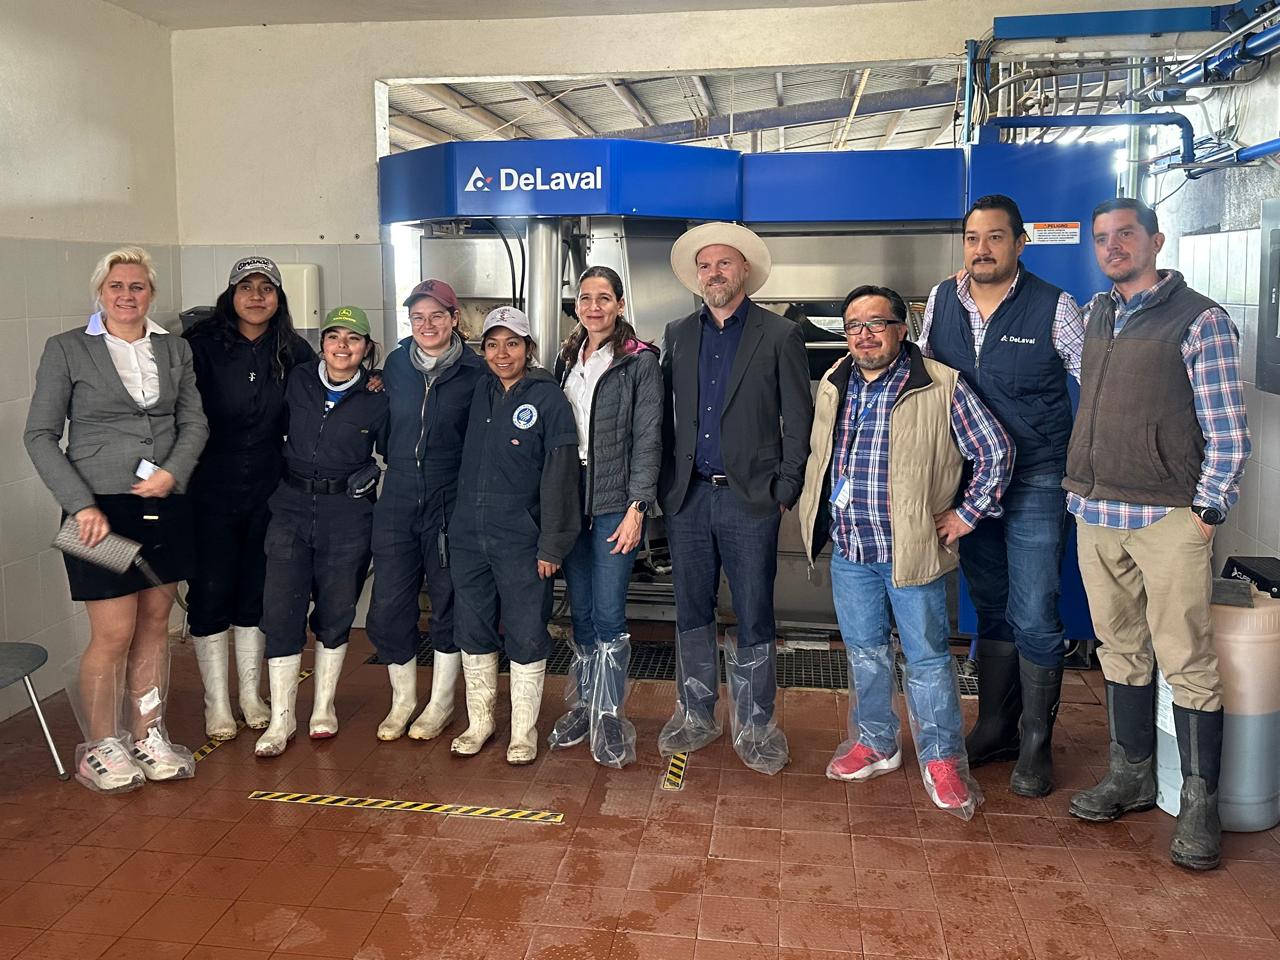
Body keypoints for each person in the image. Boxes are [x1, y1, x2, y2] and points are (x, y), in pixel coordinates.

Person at [1065, 198, 1249, 871]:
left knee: (1188, 658)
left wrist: (1207, 514)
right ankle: (1131, 774)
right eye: (1102, 238)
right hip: (1095, 512)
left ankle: (1202, 804)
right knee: (1121, 650)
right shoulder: (1096, 315)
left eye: (1125, 236)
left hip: (1168, 518)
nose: (1112, 247)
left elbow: (1229, 432)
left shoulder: (1200, 320)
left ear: (1156, 241)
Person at [798, 285, 1013, 814]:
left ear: (901, 329)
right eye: (853, 325)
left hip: (911, 550)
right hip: (851, 549)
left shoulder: (941, 385)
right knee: (865, 652)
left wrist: (966, 514)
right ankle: (876, 741)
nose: (864, 334)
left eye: (876, 323)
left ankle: (941, 758)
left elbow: (996, 451)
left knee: (927, 660)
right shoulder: (834, 381)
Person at [25, 246, 208, 793]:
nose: (126, 295)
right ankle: (101, 744)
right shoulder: (67, 350)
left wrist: (171, 473)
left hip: (164, 504)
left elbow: (193, 422)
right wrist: (80, 504)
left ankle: (148, 733)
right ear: (100, 292)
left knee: (156, 624)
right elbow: (39, 435)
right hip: (99, 513)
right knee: (113, 632)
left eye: (137, 286)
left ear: (151, 293)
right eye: (116, 286)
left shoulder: (174, 350)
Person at [919, 194, 1084, 798]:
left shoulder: (1055, 307)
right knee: (989, 606)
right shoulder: (942, 300)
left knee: (1036, 611)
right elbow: (927, 382)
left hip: (1038, 476)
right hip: (970, 481)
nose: (980, 249)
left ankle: (1036, 745)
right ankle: (995, 729)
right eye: (971, 237)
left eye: (994, 237)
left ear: (1020, 243)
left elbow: (1097, 383)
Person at [658, 221, 813, 776]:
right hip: (689, 498)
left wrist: (785, 488)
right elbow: (664, 418)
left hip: (751, 500)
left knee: (754, 611)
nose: (714, 274)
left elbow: (799, 418)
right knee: (692, 610)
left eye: (724, 264)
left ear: (743, 270)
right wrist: (663, 487)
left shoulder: (777, 335)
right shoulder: (678, 334)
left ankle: (755, 722)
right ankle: (696, 714)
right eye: (705, 266)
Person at [184, 257, 316, 742]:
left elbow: (327, 397)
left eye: (267, 288)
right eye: (247, 287)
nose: (256, 296)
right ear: (231, 293)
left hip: (270, 487)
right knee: (210, 591)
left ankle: (249, 694)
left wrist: (373, 379)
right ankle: (216, 702)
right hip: (209, 486)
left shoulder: (295, 351)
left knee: (256, 592)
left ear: (279, 297)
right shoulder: (199, 346)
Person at [255, 306, 389, 757]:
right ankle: (281, 719)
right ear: (322, 344)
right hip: (290, 506)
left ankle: (323, 708)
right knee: (281, 611)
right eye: (334, 337)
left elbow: (395, 447)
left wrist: (373, 472)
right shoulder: (296, 381)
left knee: (336, 609)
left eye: (353, 339)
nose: (342, 346)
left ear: (367, 349)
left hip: (347, 512)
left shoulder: (379, 395)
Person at [449, 306, 580, 765]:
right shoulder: (475, 390)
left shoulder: (549, 399)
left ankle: (523, 732)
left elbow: (561, 476)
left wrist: (552, 544)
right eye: (492, 344)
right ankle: (480, 721)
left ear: (529, 348)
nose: (502, 353)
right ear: (481, 350)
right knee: (472, 626)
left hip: (521, 539)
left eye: (512, 343)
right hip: (469, 534)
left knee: (526, 631)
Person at [547, 266, 662, 769]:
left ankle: (609, 713)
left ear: (619, 304)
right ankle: (584, 704)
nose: (594, 307)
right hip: (571, 502)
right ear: (577, 305)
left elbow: (649, 440)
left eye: (604, 298)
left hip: (616, 502)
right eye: (586, 298)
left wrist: (638, 508)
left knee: (611, 613)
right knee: (583, 612)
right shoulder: (566, 357)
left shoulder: (639, 362)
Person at [367, 279, 487, 742]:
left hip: (449, 494)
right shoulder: (395, 365)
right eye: (418, 316)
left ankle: (439, 702)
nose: (427, 324)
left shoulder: (476, 374)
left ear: (455, 319)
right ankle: (402, 701)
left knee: (447, 601)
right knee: (389, 603)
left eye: (437, 315)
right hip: (397, 491)